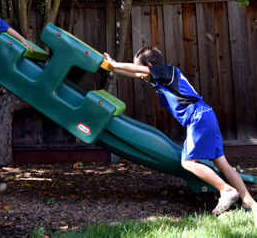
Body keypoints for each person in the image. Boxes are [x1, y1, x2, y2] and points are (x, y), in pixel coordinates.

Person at [103, 46, 257, 220]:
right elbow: (136, 73)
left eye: (143, 69)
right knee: (222, 164)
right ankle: (250, 203)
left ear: (150, 65)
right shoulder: (161, 78)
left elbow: (139, 71)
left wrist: (117, 65)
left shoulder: (166, 71)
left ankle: (226, 190)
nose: (141, 76)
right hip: (206, 114)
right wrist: (114, 67)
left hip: (197, 117)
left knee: (188, 163)